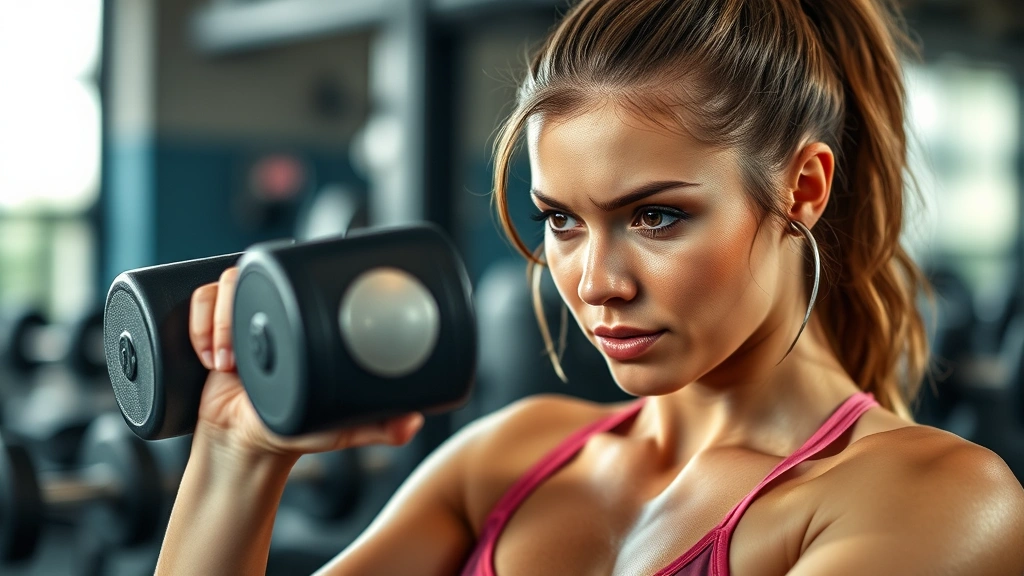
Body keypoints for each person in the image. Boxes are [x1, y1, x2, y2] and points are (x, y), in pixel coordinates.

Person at [157, 0, 1024, 574]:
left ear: (802, 188)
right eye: (562, 221)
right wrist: (240, 455)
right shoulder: (508, 458)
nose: (596, 283)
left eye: (656, 217)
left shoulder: (933, 501)